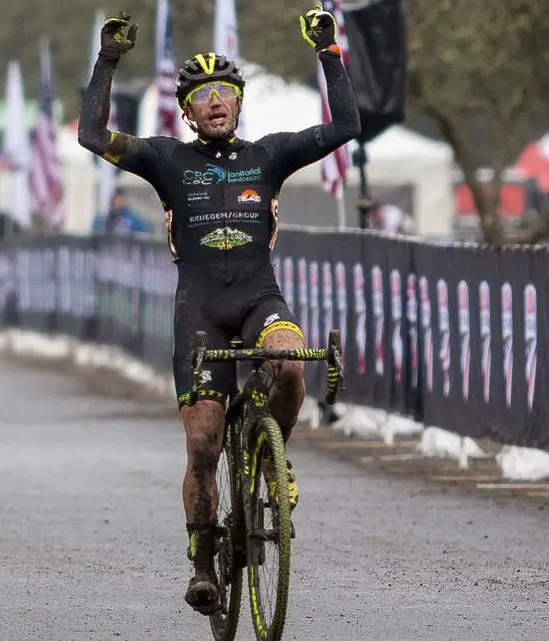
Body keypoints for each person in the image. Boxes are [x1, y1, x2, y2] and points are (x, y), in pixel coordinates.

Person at [78, 4, 360, 615]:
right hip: (199, 313)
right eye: (202, 94)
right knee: (203, 444)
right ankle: (204, 564)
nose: (215, 102)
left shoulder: (270, 156)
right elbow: (93, 137)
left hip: (260, 301)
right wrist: (108, 60)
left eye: (225, 92)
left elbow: (345, 127)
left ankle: (273, 462)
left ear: (238, 102)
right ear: (186, 110)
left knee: (290, 363)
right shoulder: (166, 161)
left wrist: (327, 52)